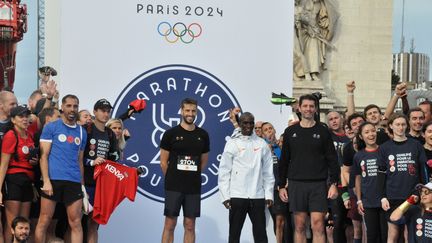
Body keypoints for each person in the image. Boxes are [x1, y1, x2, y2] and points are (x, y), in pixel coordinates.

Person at [278, 94, 340, 243]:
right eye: (305, 106)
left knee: (318, 225)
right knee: (299, 226)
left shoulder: (323, 131)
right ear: (299, 108)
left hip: (318, 185)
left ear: (316, 109)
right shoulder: (290, 132)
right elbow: (284, 161)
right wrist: (281, 186)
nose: (308, 109)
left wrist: (333, 184)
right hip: (296, 184)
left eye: (311, 106)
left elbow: (332, 159)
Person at [35, 94, 87, 243]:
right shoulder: (51, 127)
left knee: (75, 222)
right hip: (53, 179)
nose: (72, 109)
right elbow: (43, 156)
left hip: (73, 180)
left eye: (75, 106)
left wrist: (82, 185)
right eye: (69, 106)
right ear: (62, 107)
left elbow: (80, 160)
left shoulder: (82, 132)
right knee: (44, 220)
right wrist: (46, 181)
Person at [218, 113, 274, 243]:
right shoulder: (232, 143)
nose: (248, 126)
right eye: (245, 123)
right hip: (237, 196)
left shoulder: (261, 144)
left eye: (251, 123)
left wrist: (269, 194)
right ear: (240, 124)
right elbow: (224, 171)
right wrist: (225, 195)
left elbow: (268, 172)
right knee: (234, 234)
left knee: (261, 234)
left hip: (258, 196)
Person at [160, 98, 210, 243]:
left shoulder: (203, 135)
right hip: (173, 187)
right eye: (187, 110)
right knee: (170, 224)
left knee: (190, 225)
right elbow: (163, 162)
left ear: (197, 112)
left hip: (193, 187)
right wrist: (173, 178)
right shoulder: (170, 133)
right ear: (182, 111)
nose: (190, 113)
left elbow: (204, 161)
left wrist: (191, 176)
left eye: (193, 111)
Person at [378, 113, 428, 242]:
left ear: (407, 126)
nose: (400, 128)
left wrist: (423, 192)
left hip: (413, 195)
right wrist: (383, 197)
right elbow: (381, 175)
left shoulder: (416, 145)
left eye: (403, 124)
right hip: (392, 195)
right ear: (391, 126)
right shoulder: (384, 148)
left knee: (409, 233)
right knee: (392, 233)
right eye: (397, 124)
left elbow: (423, 172)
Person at [82, 99, 119, 243]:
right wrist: (91, 161)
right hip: (84, 182)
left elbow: (113, 159)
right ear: (95, 111)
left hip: (101, 185)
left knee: (94, 223)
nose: (105, 114)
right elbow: (76, 156)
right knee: (76, 222)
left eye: (108, 111)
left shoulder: (110, 134)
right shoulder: (86, 129)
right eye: (102, 110)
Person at [0, 105, 37, 243]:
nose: (25, 119)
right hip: (14, 180)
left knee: (24, 225)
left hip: (28, 180)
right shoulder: (11, 135)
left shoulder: (30, 135)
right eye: (21, 116)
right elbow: (3, 164)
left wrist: (34, 161)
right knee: (12, 225)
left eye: (27, 116)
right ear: (13, 120)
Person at [353, 122, 387, 242]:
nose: (371, 134)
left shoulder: (384, 151)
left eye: (373, 131)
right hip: (368, 201)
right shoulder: (359, 156)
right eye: (366, 132)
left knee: (386, 235)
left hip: (385, 201)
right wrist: (359, 200)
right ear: (361, 136)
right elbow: (358, 178)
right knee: (372, 236)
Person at [261, 122, 293, 243]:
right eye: (266, 130)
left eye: (270, 128)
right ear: (262, 134)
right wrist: (265, 151)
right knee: (279, 220)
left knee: (290, 221)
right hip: (273, 189)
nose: (269, 131)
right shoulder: (261, 148)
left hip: (289, 187)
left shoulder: (282, 147)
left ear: (274, 131)